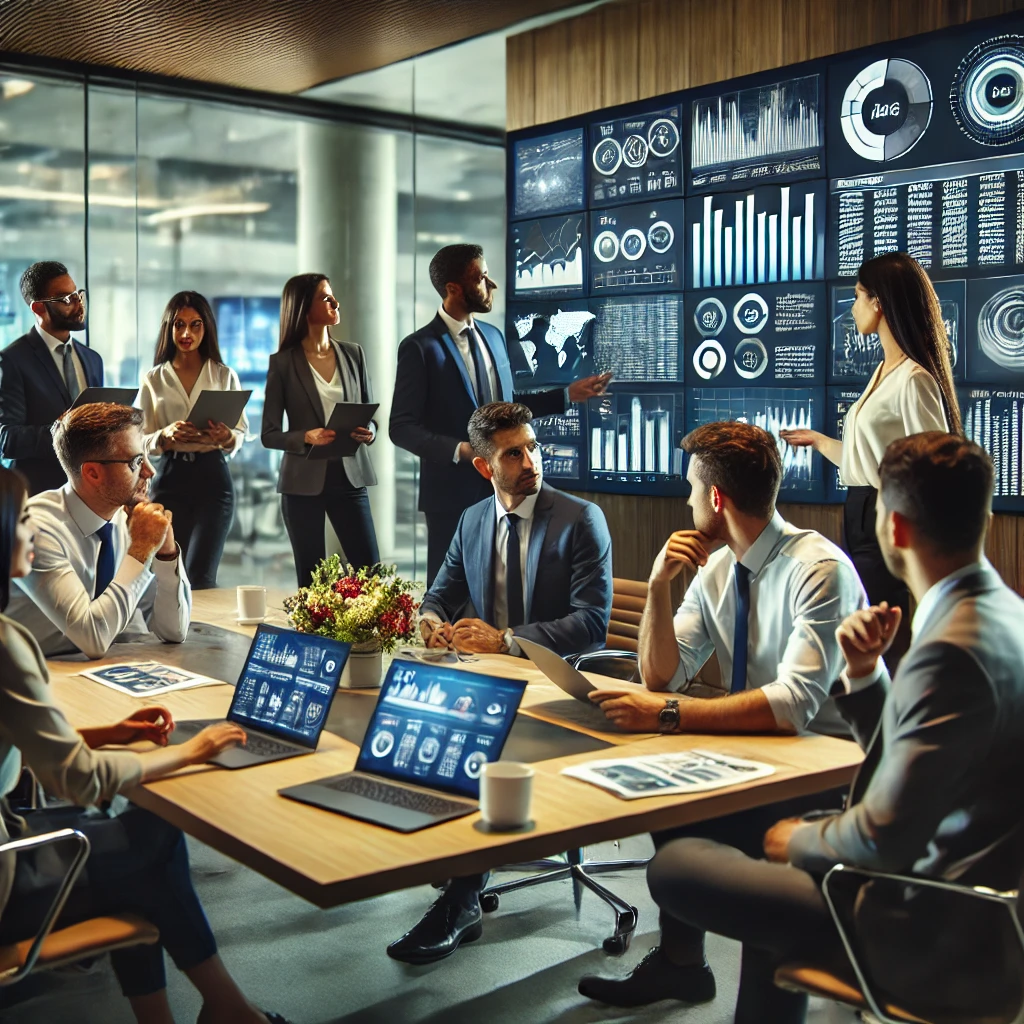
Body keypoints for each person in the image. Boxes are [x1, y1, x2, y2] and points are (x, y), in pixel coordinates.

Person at [641, 432, 1024, 1024]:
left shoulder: (949, 644)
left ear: (892, 529)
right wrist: (868, 677)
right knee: (736, 851)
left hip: (931, 921)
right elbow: (911, 755)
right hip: (970, 891)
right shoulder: (1001, 614)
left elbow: (881, 838)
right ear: (985, 517)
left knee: (678, 866)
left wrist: (796, 841)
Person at [577, 420, 867, 1008]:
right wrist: (658, 585)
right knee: (666, 792)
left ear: (715, 498)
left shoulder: (818, 569)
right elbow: (661, 676)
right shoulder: (714, 570)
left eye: (691, 489)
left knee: (703, 817)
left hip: (826, 780)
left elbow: (791, 706)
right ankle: (683, 965)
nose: (686, 501)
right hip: (758, 760)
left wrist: (669, 716)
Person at [0, 466, 290, 1024]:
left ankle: (220, 1011)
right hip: (4, 877)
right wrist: (189, 751)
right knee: (152, 844)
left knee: (141, 846)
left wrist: (109, 734)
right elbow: (76, 780)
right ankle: (231, 1012)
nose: (30, 537)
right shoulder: (6, 643)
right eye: (18, 527)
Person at [386, 401, 613, 965]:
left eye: (532, 447)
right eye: (515, 453)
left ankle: (461, 899)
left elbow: (592, 623)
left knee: (476, 738)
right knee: (419, 716)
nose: (531, 459)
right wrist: (431, 621)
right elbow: (439, 591)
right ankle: (452, 858)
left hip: (555, 684)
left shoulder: (580, 520)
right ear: (486, 467)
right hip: (488, 681)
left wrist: (507, 639)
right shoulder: (472, 520)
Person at [389, 243, 612, 584]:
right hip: (452, 494)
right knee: (449, 589)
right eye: (481, 278)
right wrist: (462, 451)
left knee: (505, 581)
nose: (491, 285)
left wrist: (568, 395)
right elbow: (401, 427)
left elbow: (508, 407)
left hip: (507, 488)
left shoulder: (493, 337)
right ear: (453, 289)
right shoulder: (420, 348)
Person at [781, 252, 960, 668]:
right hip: (861, 510)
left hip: (886, 516)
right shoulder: (883, 371)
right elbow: (871, 460)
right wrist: (820, 442)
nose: (853, 306)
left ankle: (888, 724)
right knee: (866, 630)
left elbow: (932, 467)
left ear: (879, 302)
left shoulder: (914, 379)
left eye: (858, 296)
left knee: (879, 635)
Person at [6, 403, 191, 659]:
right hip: (40, 671)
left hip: (100, 667)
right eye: (136, 461)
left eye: (146, 456)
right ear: (92, 473)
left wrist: (166, 554)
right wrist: (140, 551)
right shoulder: (36, 528)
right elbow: (92, 638)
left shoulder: (127, 519)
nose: (150, 471)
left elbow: (173, 631)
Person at [262, 274, 379, 588]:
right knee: (313, 582)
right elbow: (269, 433)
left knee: (371, 574)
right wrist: (305, 436)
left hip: (350, 475)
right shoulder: (283, 364)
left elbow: (370, 414)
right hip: (302, 484)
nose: (335, 303)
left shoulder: (354, 354)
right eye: (326, 298)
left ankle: (371, 637)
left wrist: (370, 431)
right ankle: (313, 639)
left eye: (333, 296)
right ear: (303, 307)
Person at [139, 291, 248, 589]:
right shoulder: (153, 379)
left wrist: (226, 436)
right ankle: (173, 633)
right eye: (179, 325)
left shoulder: (224, 375)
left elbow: (241, 433)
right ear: (169, 328)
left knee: (201, 574)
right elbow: (140, 439)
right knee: (169, 572)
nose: (187, 333)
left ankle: (202, 635)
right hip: (171, 478)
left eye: (195, 324)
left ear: (207, 328)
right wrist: (165, 435)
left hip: (213, 478)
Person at [0, 261, 104, 495]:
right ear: (38, 308)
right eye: (66, 299)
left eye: (78, 294)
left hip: (90, 492)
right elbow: (6, 439)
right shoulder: (12, 360)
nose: (78, 303)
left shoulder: (93, 359)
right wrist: (61, 431)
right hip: (41, 493)